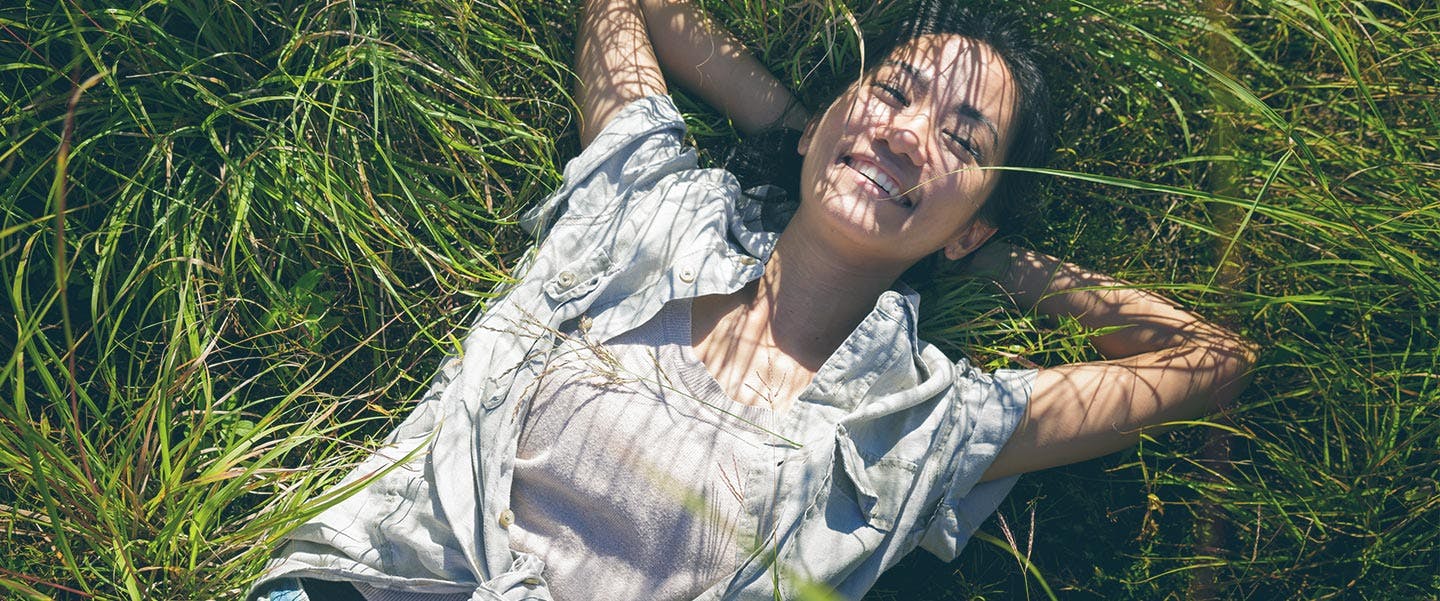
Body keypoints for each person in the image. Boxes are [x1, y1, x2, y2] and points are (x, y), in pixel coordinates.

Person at [250, 1, 1256, 599]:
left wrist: (980, 251)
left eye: (963, 140)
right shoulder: (652, 198)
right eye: (896, 89)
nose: (910, 132)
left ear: (977, 213)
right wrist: (800, 125)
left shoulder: (923, 423)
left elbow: (1208, 359)